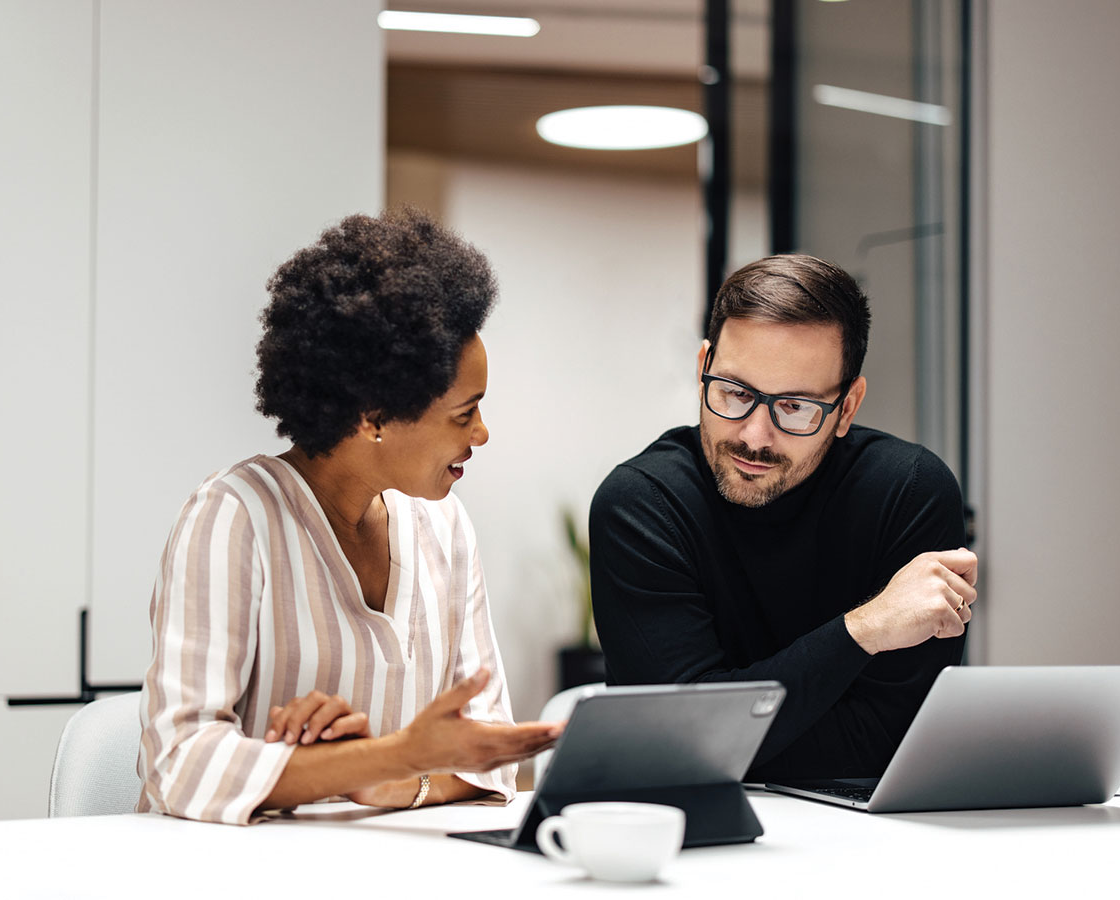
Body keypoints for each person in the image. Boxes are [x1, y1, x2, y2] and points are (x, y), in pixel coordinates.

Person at [138, 211, 560, 825]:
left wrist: (398, 781)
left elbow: (487, 756)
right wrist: (388, 759)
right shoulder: (235, 517)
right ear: (374, 416)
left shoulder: (445, 528)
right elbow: (180, 763)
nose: (482, 433)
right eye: (463, 413)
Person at [589, 253, 977, 781]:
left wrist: (731, 729)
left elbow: (896, 741)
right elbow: (679, 741)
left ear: (847, 407)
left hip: (865, 825)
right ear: (702, 369)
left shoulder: (907, 493)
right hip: (690, 819)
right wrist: (865, 628)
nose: (754, 436)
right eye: (735, 393)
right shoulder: (643, 505)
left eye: (795, 407)